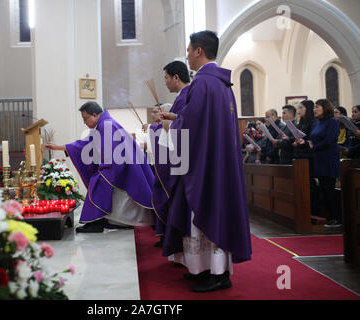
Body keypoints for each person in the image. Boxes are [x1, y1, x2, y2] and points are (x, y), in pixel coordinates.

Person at [160, 30, 252, 292]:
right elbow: (198, 121)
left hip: (205, 166)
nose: (187, 56)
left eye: (189, 50)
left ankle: (216, 273)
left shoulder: (203, 83)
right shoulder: (221, 84)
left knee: (206, 213)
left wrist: (172, 125)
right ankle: (206, 269)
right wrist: (176, 120)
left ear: (199, 51)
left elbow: (191, 126)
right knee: (214, 212)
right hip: (216, 162)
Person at [45, 102, 155, 233]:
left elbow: (114, 154)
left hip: (124, 168)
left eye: (85, 118)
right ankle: (97, 221)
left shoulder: (105, 125)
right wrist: (58, 147)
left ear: (95, 115)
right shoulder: (103, 124)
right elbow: (87, 144)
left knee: (98, 181)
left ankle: (96, 223)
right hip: (123, 165)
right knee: (98, 179)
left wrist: (106, 169)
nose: (84, 122)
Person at [144, 60, 191, 248]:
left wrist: (169, 124)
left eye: (166, 78)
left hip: (184, 159)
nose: (165, 82)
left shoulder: (186, 94)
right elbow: (183, 120)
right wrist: (173, 119)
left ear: (176, 77)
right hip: (180, 157)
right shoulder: (183, 95)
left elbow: (186, 127)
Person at [297, 99, 340, 227]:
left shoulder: (331, 122)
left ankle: (336, 219)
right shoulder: (318, 123)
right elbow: (312, 140)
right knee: (324, 189)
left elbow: (329, 140)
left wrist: (312, 146)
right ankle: (330, 217)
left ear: (325, 108)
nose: (314, 109)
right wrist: (305, 143)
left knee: (329, 189)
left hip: (328, 159)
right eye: (314, 107)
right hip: (319, 159)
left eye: (317, 107)